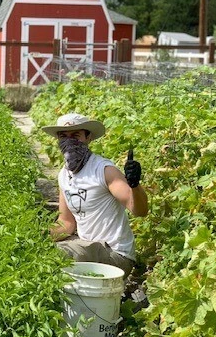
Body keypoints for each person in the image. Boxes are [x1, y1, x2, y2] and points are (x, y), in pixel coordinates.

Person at [43, 113, 148, 277]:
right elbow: (66, 223)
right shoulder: (64, 175)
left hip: (115, 254)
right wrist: (40, 235)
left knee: (60, 254)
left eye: (75, 136)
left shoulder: (104, 171)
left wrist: (134, 185)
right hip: (87, 247)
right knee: (41, 253)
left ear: (88, 137)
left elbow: (139, 211)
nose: (69, 142)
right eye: (63, 136)